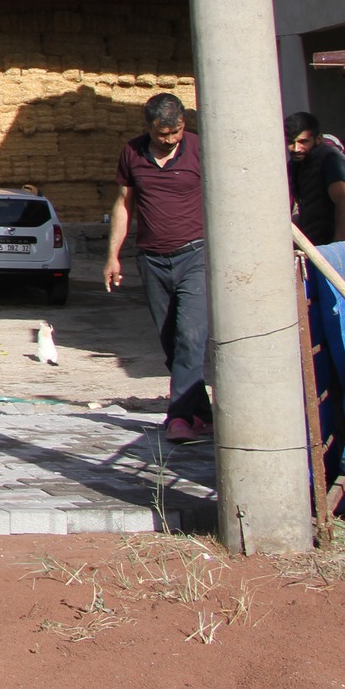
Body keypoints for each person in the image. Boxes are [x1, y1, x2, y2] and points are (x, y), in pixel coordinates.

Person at [104, 93, 211, 444]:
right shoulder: (132, 153)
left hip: (195, 255)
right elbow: (123, 204)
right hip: (151, 260)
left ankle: (178, 417)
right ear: (148, 127)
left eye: (176, 132)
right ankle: (202, 415)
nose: (170, 140)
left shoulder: (199, 148)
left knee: (190, 337)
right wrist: (113, 255)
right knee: (170, 343)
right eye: (163, 134)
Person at [285, 112, 345, 247]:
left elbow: (343, 202)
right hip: (313, 244)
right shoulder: (295, 165)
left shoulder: (329, 159)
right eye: (291, 143)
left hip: (331, 247)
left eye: (303, 142)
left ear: (318, 139)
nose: (296, 149)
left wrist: (340, 246)